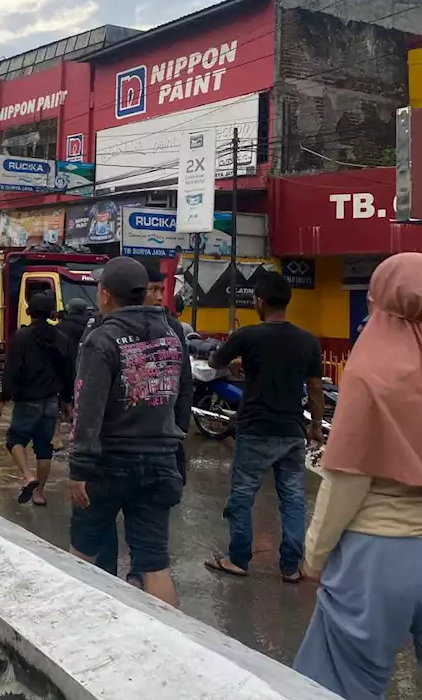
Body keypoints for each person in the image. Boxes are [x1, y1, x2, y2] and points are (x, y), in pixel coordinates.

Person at [294, 253, 422, 700]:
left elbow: (348, 479)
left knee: (338, 685)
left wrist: (314, 555)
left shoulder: (372, 371)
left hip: (380, 550)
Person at [68, 256, 192, 607]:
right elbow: (184, 396)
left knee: (83, 555)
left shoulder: (101, 339)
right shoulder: (172, 335)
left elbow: (87, 408)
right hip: (160, 463)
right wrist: (174, 444)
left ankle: (83, 636)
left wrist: (79, 469)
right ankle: (172, 644)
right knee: (154, 563)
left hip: (108, 465)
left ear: (105, 295)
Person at [204, 271, 324, 583]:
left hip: (255, 428)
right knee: (294, 500)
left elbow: (216, 362)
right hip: (292, 431)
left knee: (242, 495)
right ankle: (290, 567)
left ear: (260, 301)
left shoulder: (248, 337)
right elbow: (314, 389)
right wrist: (315, 428)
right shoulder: (308, 341)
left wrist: (236, 361)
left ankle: (238, 560)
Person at [0, 291, 68, 506]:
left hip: (28, 400)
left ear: (28, 312)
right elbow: (67, 370)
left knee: (15, 439)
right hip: (51, 401)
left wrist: (2, 397)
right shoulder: (60, 337)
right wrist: (66, 400)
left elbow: (12, 370)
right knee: (44, 448)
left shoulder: (22, 337)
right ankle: (39, 494)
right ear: (51, 313)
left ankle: (28, 477)